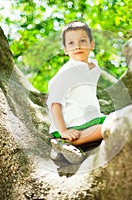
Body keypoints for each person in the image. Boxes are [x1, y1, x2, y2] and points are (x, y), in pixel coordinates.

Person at [46, 21, 106, 164]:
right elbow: (54, 104)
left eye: (82, 41)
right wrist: (63, 130)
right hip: (71, 125)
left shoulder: (92, 67)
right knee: (112, 123)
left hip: (87, 119)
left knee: (115, 119)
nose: (77, 46)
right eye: (71, 43)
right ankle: (68, 143)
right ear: (65, 49)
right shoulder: (67, 73)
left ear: (92, 44)